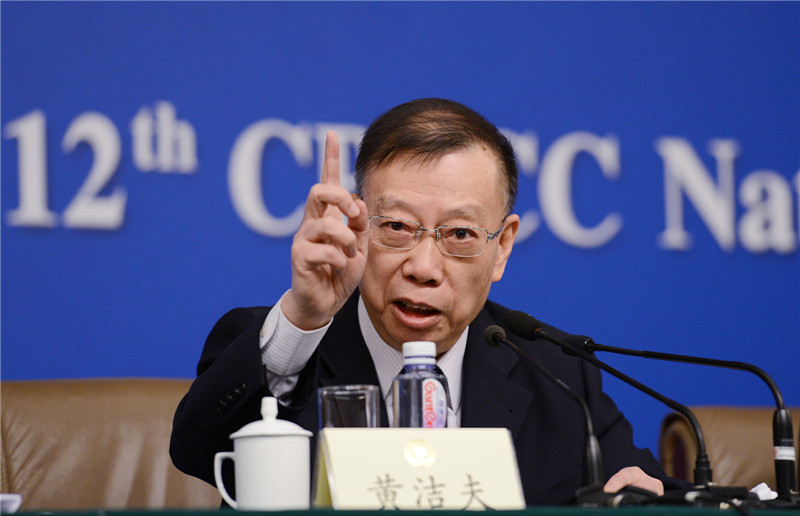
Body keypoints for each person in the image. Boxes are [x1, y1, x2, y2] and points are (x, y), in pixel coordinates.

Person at [170, 98, 675, 505]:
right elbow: (196, 450)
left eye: (459, 234)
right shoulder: (285, 348)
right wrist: (303, 318)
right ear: (358, 225)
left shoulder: (556, 375)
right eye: (396, 227)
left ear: (501, 247)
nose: (424, 267)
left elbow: (657, 491)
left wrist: (640, 500)